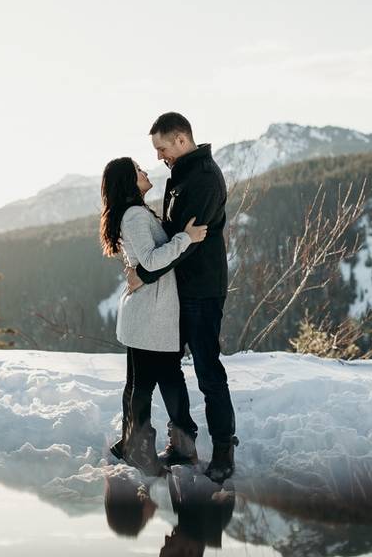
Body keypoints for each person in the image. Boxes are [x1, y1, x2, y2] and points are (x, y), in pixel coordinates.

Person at [125, 112, 239, 482]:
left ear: (180, 140)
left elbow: (189, 241)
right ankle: (182, 444)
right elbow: (174, 234)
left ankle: (223, 450)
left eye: (161, 148)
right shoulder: (181, 174)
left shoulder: (204, 178)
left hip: (202, 291)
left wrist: (143, 274)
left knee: (208, 372)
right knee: (170, 370)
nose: (159, 157)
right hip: (177, 290)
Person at [101, 156, 206, 476]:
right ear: (128, 182)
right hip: (150, 312)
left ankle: (132, 444)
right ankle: (146, 449)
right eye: (138, 171)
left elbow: (143, 263)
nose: (145, 172)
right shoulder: (134, 215)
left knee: (140, 383)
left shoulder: (135, 213)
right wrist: (186, 238)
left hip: (147, 310)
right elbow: (150, 261)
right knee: (153, 382)